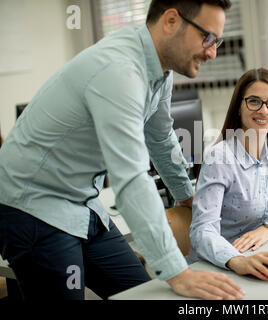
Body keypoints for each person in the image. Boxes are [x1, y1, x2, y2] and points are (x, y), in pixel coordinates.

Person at [0, 0, 244, 300]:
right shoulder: (119, 70)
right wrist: (177, 272)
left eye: (217, 41)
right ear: (170, 21)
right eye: (208, 38)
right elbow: (131, 178)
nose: (212, 52)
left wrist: (187, 196)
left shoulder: (159, 69)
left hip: (83, 202)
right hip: (34, 205)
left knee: (141, 293)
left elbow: (160, 136)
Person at [187, 68, 268, 281]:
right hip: (219, 267)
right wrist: (236, 260)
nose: (264, 110)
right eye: (254, 101)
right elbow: (202, 230)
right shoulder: (220, 157)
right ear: (239, 106)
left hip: (260, 255)